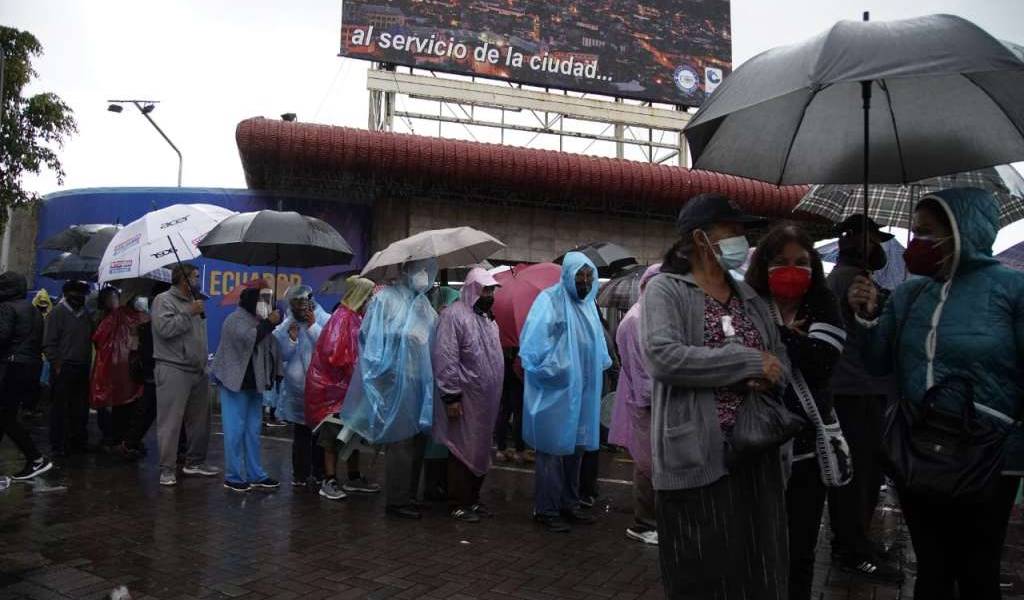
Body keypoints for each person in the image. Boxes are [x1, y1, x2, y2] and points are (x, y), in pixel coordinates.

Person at [847, 189, 1024, 599]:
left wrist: (1001, 425)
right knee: (932, 568)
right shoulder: (911, 293)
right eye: (915, 231)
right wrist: (866, 316)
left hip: (989, 456)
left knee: (978, 569)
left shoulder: (1012, 288)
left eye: (927, 232)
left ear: (962, 232)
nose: (916, 242)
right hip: (919, 450)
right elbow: (877, 364)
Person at [641, 193, 790, 599]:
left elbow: (778, 357)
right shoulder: (665, 291)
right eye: (733, 231)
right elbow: (664, 357)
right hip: (698, 455)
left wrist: (770, 372)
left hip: (756, 452)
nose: (741, 240)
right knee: (702, 571)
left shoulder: (750, 297)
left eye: (744, 232)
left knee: (756, 566)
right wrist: (746, 363)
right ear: (700, 239)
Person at [745, 224, 852, 600]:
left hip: (807, 452)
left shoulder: (824, 303)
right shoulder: (748, 302)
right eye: (780, 261)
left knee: (798, 550)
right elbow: (737, 357)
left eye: (801, 262)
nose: (792, 269)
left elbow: (821, 363)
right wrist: (793, 335)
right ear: (763, 264)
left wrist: (778, 335)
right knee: (754, 545)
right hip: (754, 445)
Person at [825, 215, 903, 583]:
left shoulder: (858, 279)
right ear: (854, 240)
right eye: (874, 239)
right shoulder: (846, 280)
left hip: (861, 390)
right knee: (857, 476)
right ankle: (851, 548)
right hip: (852, 392)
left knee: (866, 474)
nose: (880, 247)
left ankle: (858, 541)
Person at [520, 252, 611, 533]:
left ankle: (569, 503)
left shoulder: (587, 306)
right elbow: (532, 348)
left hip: (583, 390)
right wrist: (558, 367)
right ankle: (546, 509)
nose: (584, 281)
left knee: (576, 449)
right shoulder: (550, 300)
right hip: (556, 391)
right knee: (551, 450)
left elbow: (597, 345)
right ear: (568, 275)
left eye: (588, 276)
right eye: (579, 275)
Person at [340, 259, 438, 520]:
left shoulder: (424, 305)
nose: (424, 275)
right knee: (400, 441)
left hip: (420, 382)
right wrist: (398, 338)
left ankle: (410, 495)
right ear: (407, 270)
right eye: (420, 269)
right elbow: (368, 337)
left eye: (428, 270)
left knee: (418, 440)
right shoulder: (386, 299)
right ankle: (396, 500)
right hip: (395, 382)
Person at [432, 268, 504, 523]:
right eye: (486, 289)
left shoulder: (486, 319)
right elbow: (446, 357)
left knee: (481, 450)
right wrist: (451, 396)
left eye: (492, 290)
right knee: (461, 451)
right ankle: (458, 503)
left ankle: (473, 499)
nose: (490, 294)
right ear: (473, 289)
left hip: (486, 401)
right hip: (465, 399)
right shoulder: (454, 316)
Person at [304, 276, 380, 501]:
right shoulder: (342, 317)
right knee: (332, 435)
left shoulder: (356, 317)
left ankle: (353, 476)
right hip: (331, 389)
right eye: (368, 296)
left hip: (349, 387)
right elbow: (334, 353)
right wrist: (357, 369)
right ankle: (329, 479)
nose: (370, 300)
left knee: (353, 431)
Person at [607, 263, 661, 545]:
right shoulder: (636, 321)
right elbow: (641, 372)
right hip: (646, 405)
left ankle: (653, 521)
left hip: (656, 403)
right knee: (646, 464)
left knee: (656, 464)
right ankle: (643, 523)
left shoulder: (654, 319)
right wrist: (655, 400)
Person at [151, 263, 219, 486]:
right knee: (170, 422)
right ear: (184, 279)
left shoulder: (195, 302)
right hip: (173, 368)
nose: (199, 281)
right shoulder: (164, 300)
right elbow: (165, 329)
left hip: (198, 370)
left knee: (200, 421)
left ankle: (195, 462)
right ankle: (167, 469)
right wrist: (189, 312)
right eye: (196, 277)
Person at [212, 285, 282, 492]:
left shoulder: (258, 320)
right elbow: (249, 339)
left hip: (254, 383)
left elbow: (271, 347)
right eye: (263, 301)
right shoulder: (235, 320)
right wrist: (269, 323)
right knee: (234, 431)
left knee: (253, 431)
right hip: (234, 382)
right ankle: (233, 475)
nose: (266, 306)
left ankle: (255, 473)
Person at [273, 285, 331, 488]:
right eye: (295, 303)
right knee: (301, 434)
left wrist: (313, 326)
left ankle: (320, 472)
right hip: (297, 390)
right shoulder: (288, 323)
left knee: (320, 434)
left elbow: (329, 348)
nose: (299, 307)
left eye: (302, 303)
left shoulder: (325, 319)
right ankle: (300, 474)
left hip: (319, 388)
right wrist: (291, 339)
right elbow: (283, 354)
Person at [0, 271, 53, 480]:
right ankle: (35, 458)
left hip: (11, 366)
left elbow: (2, 337)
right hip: (30, 367)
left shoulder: (6, 307)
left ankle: (36, 457)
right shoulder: (33, 310)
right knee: (5, 415)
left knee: (5, 416)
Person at [90, 287, 147, 452]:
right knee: (124, 405)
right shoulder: (136, 316)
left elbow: (97, 338)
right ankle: (121, 438)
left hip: (113, 368)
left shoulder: (110, 317)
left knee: (115, 404)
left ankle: (115, 438)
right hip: (128, 369)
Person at [119, 284, 170, 460]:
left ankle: (131, 441)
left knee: (148, 411)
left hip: (155, 372)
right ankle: (130, 442)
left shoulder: (146, 325)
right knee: (148, 410)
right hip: (154, 372)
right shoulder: (148, 326)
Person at [44, 279, 93, 456]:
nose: (79, 298)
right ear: (66, 294)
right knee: (60, 409)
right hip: (63, 367)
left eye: (82, 294)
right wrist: (56, 363)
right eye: (75, 294)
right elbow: (49, 342)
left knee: (80, 408)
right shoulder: (57, 313)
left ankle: (78, 442)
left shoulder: (86, 315)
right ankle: (58, 445)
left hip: (82, 367)